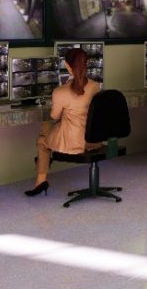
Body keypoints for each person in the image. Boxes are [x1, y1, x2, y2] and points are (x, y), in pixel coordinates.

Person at [26, 47, 100, 196]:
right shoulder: (95, 87)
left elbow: (54, 116)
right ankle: (43, 165)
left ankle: (41, 179)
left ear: (67, 65)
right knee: (48, 129)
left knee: (43, 138)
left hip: (74, 143)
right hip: (93, 141)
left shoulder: (60, 92)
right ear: (86, 64)